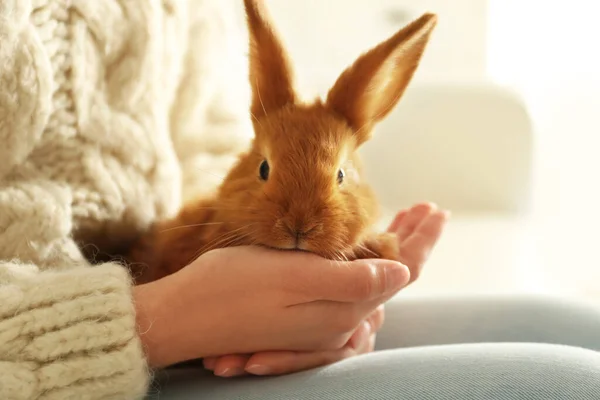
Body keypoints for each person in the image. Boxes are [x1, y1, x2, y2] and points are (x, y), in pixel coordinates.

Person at [1, 2, 599, 400]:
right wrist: (166, 318)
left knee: (579, 329)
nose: (297, 222)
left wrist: (349, 308)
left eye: (339, 179)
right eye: (268, 174)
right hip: (84, 355)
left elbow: (200, 140)